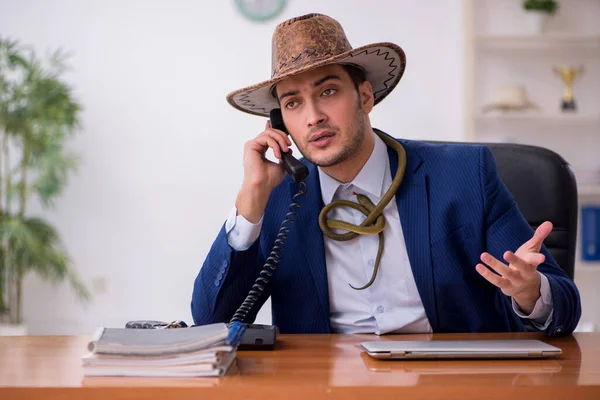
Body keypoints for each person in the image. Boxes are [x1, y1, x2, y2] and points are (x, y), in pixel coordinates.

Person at [191, 13, 581, 335]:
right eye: (293, 103)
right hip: (325, 386)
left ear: (364, 97)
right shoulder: (276, 197)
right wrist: (250, 202)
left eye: (328, 92)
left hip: (449, 383)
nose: (313, 117)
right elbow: (211, 321)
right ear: (280, 122)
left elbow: (563, 303)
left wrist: (532, 294)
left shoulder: (465, 174)